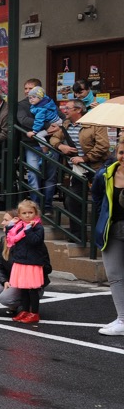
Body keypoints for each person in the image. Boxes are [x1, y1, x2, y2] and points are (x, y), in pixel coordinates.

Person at [0, 208, 50, 314]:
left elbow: (47, 267)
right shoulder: (4, 240)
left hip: (29, 283)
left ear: (16, 222)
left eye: (6, 220)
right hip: (11, 280)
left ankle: (27, 306)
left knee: (5, 298)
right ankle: (17, 305)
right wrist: (4, 281)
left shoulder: (31, 241)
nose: (2, 223)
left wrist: (30, 271)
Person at [92, 142, 124, 335]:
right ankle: (122, 318)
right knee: (114, 275)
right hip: (112, 230)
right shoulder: (105, 174)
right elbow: (97, 197)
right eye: (121, 152)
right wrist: (103, 218)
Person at [0, 200, 48, 323]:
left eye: (30, 212)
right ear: (20, 215)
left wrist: (28, 230)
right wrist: (11, 225)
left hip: (32, 263)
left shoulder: (37, 227)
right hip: (21, 261)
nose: (27, 215)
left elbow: (34, 241)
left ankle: (34, 313)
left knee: (32, 289)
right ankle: (25, 311)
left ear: (36, 213)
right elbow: (10, 238)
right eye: (24, 213)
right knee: (24, 289)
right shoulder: (18, 226)